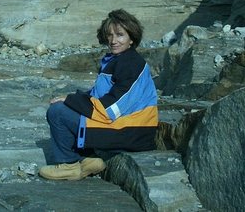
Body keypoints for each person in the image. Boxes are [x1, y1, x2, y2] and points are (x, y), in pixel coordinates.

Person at [39, 9, 159, 181]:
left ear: (132, 38)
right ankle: (87, 160)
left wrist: (73, 101)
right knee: (66, 105)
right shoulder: (117, 60)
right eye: (109, 35)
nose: (113, 40)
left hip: (132, 132)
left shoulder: (132, 63)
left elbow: (112, 107)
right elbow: (99, 95)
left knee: (57, 112)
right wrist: (74, 99)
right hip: (126, 126)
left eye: (120, 35)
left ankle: (68, 165)